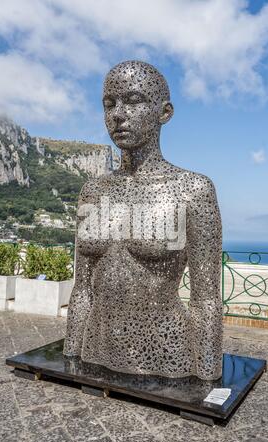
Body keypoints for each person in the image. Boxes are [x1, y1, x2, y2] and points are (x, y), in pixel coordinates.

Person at [64, 60, 223, 380]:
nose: (118, 114)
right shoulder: (92, 192)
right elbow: (82, 289)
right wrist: (70, 357)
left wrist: (207, 378)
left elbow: (206, 298)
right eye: (109, 104)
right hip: (95, 348)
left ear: (164, 112)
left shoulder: (192, 189)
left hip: (167, 353)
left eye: (134, 101)